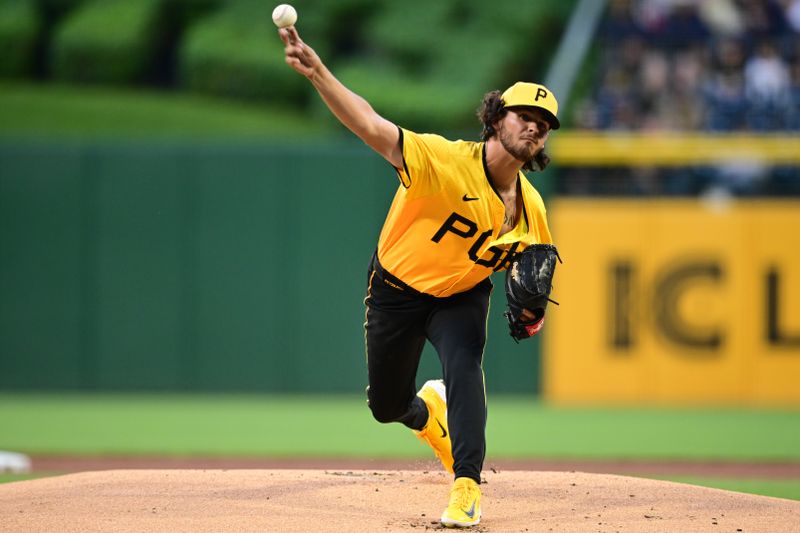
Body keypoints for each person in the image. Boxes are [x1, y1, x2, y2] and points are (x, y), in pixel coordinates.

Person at [279, 25, 558, 528]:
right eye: (525, 116)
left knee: (465, 367)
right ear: (496, 120)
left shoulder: (532, 208)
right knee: (386, 405)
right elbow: (369, 124)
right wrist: (319, 72)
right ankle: (429, 415)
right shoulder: (444, 161)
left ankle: (467, 487)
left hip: (462, 295)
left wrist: (534, 310)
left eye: (544, 123)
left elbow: (534, 270)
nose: (535, 127)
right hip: (396, 290)